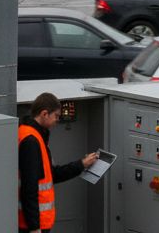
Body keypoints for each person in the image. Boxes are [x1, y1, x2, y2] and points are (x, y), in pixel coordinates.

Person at [18, 92, 99, 233]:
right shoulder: (32, 141)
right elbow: (29, 188)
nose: (57, 120)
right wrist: (34, 227)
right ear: (44, 114)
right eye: (56, 116)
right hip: (33, 224)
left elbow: (51, 175)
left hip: (32, 221)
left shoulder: (28, 133)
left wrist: (82, 164)